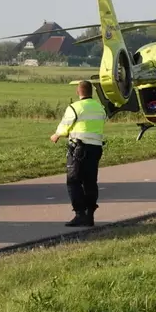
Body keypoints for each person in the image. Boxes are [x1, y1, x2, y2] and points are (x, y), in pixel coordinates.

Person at [50, 80, 107, 227]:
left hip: (79, 149)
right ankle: (90, 216)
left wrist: (56, 135)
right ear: (91, 92)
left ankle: (80, 214)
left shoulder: (75, 107)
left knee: (73, 181)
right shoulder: (100, 108)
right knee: (90, 182)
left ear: (78, 91)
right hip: (96, 148)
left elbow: (65, 125)